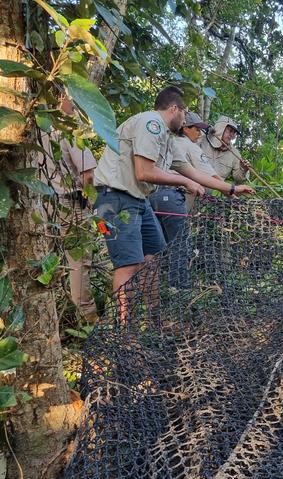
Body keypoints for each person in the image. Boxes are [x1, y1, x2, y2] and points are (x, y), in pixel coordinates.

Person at [93, 86, 242, 320]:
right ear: (174, 109)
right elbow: (144, 171)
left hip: (139, 200)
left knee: (153, 256)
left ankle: (154, 321)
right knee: (128, 265)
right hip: (115, 198)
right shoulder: (150, 123)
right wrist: (183, 182)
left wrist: (231, 188)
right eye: (184, 113)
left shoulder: (168, 139)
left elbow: (190, 170)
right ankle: (124, 334)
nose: (184, 118)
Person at [148, 112, 254, 287]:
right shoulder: (195, 146)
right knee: (181, 246)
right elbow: (207, 175)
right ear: (186, 128)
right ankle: (178, 290)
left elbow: (237, 176)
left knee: (158, 244)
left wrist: (240, 176)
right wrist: (233, 191)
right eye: (196, 129)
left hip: (156, 196)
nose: (199, 134)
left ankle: (155, 290)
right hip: (175, 199)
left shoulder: (171, 142)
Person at [40, 94, 99, 323]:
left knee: (47, 256)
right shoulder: (69, 128)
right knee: (79, 260)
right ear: (61, 99)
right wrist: (89, 199)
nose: (76, 105)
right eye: (71, 99)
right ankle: (86, 316)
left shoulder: (37, 127)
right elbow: (88, 174)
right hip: (70, 203)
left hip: (42, 201)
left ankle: (53, 313)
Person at [198, 115, 251, 182]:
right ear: (220, 128)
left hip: (214, 190)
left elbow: (238, 178)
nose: (232, 135)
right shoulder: (202, 140)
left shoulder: (234, 153)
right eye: (230, 131)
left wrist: (244, 169)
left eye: (234, 132)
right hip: (192, 188)